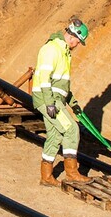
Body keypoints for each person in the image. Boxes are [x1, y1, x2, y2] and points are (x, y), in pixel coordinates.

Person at [32, 17, 90, 186]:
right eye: (79, 42)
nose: (78, 45)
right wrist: (49, 103)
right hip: (47, 98)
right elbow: (43, 77)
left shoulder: (63, 51)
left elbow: (61, 82)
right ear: (73, 36)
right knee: (72, 130)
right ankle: (72, 173)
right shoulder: (52, 49)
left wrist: (72, 102)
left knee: (55, 134)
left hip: (53, 98)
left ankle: (46, 176)